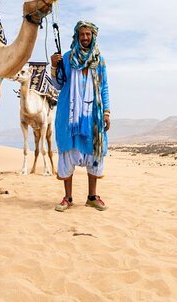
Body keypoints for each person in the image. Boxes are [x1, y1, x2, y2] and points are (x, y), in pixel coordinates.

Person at [50, 21, 110, 212]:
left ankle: (92, 197)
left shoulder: (99, 60)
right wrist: (54, 66)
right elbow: (58, 85)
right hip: (69, 116)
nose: (85, 37)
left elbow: (104, 88)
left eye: (88, 34)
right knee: (68, 153)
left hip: (93, 116)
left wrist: (106, 112)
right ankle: (67, 198)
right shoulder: (67, 58)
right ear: (77, 36)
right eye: (82, 34)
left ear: (93, 36)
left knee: (94, 153)